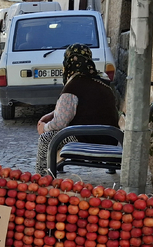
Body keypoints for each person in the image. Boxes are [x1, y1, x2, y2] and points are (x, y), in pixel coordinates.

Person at [35, 43, 120, 175]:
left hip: (87, 137)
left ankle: (41, 178)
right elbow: (82, 106)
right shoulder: (101, 81)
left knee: (46, 138)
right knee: (57, 135)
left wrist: (44, 127)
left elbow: (60, 122)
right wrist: (51, 115)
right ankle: (51, 167)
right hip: (110, 136)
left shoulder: (74, 85)